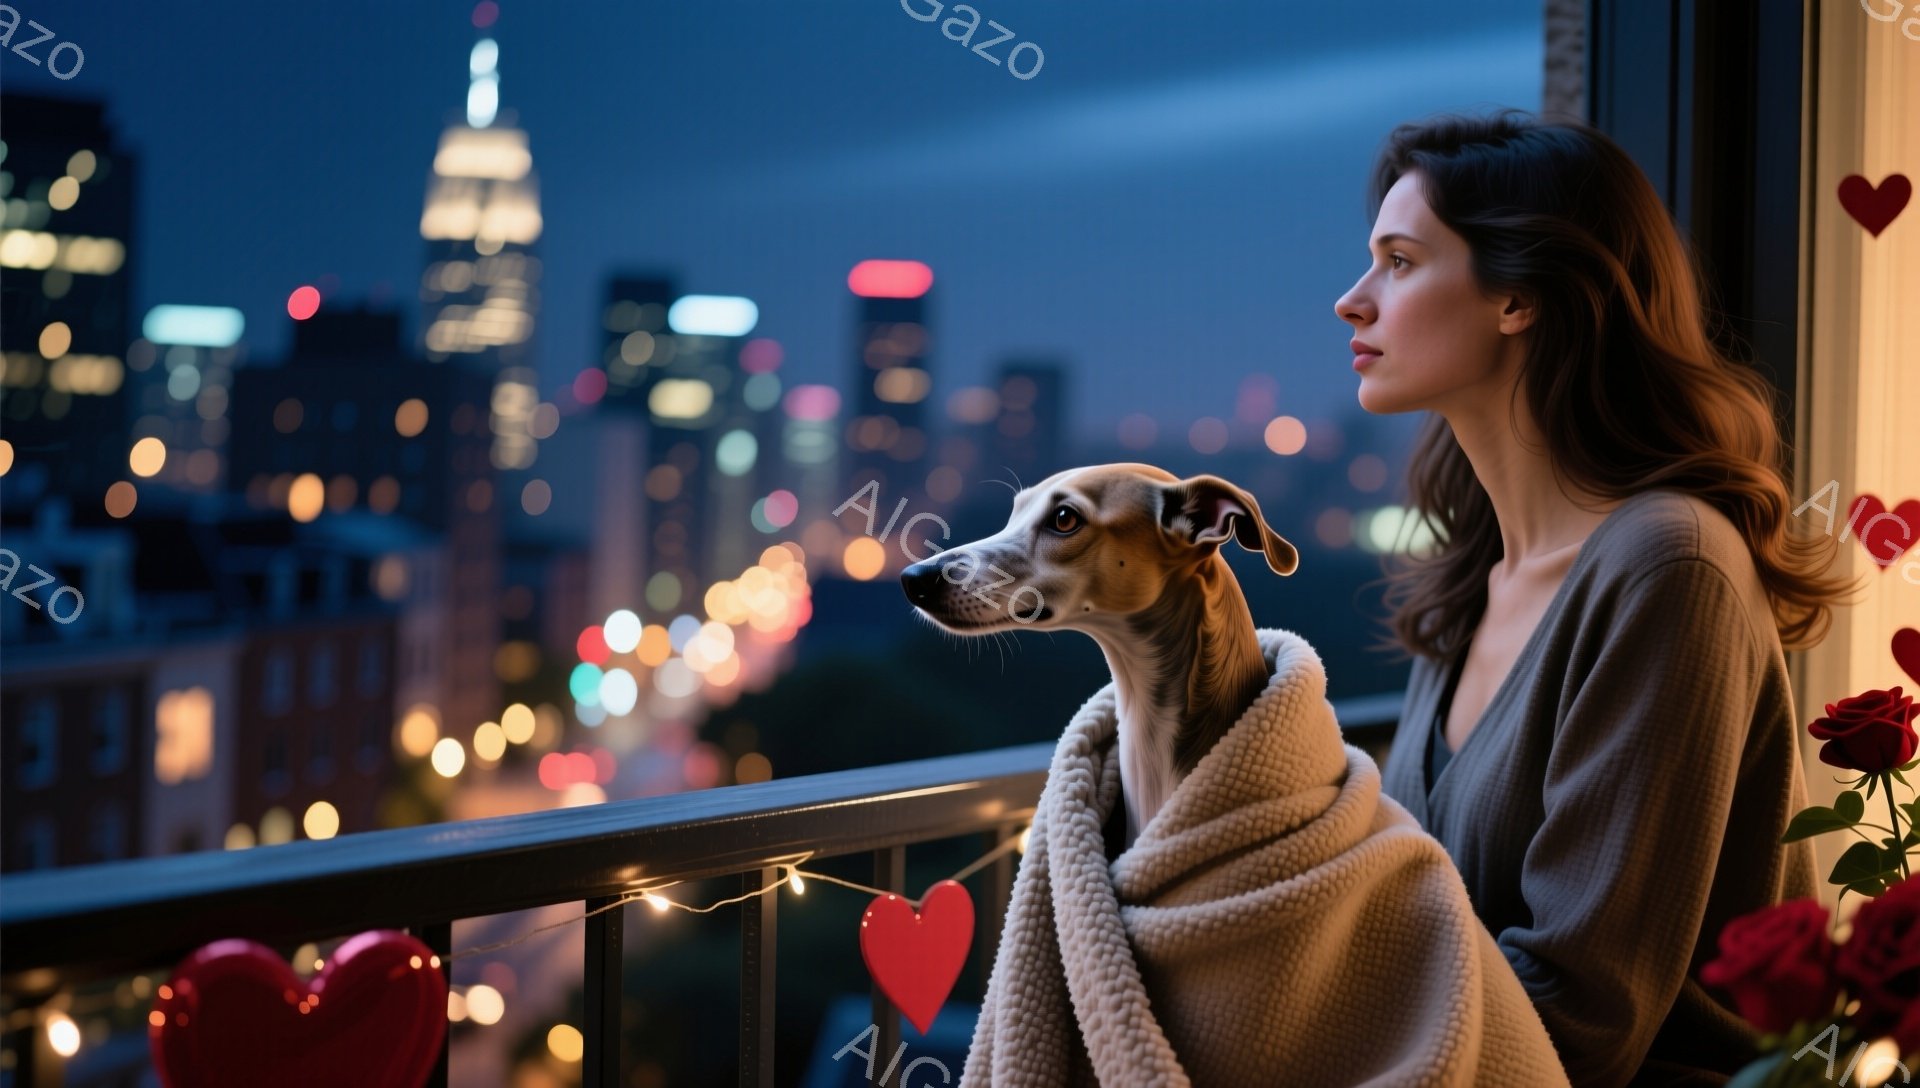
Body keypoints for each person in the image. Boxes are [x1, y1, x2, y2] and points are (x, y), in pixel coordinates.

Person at [1334, 110, 1857, 1087]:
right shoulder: (1476, 577)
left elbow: (1580, 1019)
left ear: (1519, 297)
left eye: (1399, 262)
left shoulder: (1668, 565)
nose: (1350, 301)